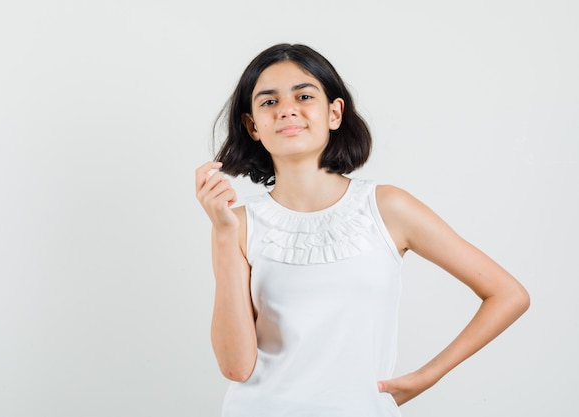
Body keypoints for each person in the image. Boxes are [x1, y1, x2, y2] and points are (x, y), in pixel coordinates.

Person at [195, 43, 530, 417]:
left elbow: (508, 294)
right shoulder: (237, 224)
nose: (287, 109)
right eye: (268, 102)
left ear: (334, 113)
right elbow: (236, 367)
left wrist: (427, 377)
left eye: (304, 95)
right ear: (252, 125)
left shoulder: (387, 207)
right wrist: (224, 234)